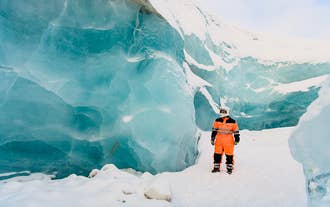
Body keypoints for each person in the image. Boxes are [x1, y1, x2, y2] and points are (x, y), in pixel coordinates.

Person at [210, 106, 240, 174]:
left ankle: (229, 168)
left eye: (224, 111)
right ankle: (216, 168)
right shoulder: (217, 120)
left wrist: (237, 139)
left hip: (229, 141)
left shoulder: (233, 121)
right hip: (219, 140)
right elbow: (214, 130)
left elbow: (236, 131)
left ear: (227, 112)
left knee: (229, 154)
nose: (222, 113)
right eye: (221, 111)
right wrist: (212, 138)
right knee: (217, 154)